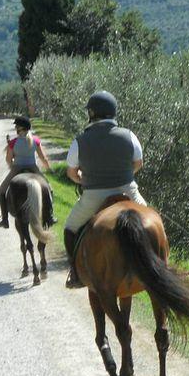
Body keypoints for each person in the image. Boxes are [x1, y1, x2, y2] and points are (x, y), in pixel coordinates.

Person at [63, 91, 147, 289]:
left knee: (70, 228)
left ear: (91, 113)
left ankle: (75, 273)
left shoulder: (80, 140)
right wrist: (125, 175)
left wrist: (82, 179)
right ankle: (161, 264)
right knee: (153, 219)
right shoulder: (129, 135)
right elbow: (138, 163)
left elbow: (72, 173)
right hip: (128, 190)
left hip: (94, 195)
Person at [0, 116, 50, 228]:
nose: (16, 128)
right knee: (49, 188)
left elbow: (8, 159)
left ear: (20, 128)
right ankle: (50, 216)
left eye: (17, 126)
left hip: (17, 167)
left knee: (2, 190)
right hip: (33, 167)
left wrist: (11, 165)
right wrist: (48, 168)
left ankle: (4, 220)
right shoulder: (35, 141)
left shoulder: (13, 142)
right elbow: (42, 158)